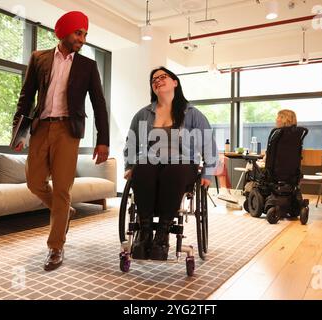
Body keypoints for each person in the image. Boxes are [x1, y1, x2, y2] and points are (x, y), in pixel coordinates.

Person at [12, 11, 109, 271]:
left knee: (63, 189)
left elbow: (99, 104)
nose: (83, 39)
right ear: (64, 32)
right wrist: (18, 132)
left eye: (85, 34)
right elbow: (26, 96)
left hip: (68, 131)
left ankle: (55, 247)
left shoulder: (87, 65)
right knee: (34, 182)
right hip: (40, 128)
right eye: (79, 33)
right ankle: (64, 211)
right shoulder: (39, 58)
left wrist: (103, 140)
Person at [123, 67, 218, 261]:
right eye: (154, 79)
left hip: (183, 164)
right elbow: (131, 142)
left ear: (175, 82)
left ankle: (162, 235)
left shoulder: (192, 113)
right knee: (143, 167)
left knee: (175, 168)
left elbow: (209, 144)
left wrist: (207, 173)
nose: (157, 80)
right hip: (152, 162)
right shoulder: (143, 114)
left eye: (163, 77)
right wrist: (129, 166)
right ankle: (145, 232)